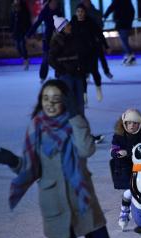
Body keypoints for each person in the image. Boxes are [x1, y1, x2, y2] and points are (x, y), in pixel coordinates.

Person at [0, 79, 126, 238]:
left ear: (65, 101)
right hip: (56, 205)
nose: (50, 104)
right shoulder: (36, 128)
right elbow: (31, 169)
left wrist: (75, 117)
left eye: (56, 99)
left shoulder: (75, 123)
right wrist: (14, 162)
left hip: (84, 203)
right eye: (45, 99)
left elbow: (86, 150)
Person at [49, 16, 105, 144]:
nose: (70, 26)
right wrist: (62, 70)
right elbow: (51, 59)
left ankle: (84, 136)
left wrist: (83, 68)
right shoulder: (57, 41)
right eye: (67, 25)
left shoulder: (75, 38)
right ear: (62, 28)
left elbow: (82, 54)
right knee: (69, 107)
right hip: (66, 78)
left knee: (80, 107)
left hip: (78, 76)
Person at [71, 3, 106, 103]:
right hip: (79, 53)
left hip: (91, 52)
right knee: (82, 75)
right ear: (76, 13)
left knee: (94, 72)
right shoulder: (73, 23)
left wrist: (106, 45)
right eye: (78, 11)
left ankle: (98, 88)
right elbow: (67, 35)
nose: (80, 13)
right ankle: (84, 95)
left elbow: (99, 34)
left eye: (82, 11)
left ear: (85, 13)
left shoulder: (90, 22)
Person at [26, 0, 62, 82]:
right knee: (45, 59)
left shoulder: (58, 12)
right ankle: (42, 76)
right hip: (48, 38)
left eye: (56, 3)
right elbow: (37, 23)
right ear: (49, 3)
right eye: (53, 3)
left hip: (57, 38)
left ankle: (58, 75)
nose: (55, 4)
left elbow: (62, 24)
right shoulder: (44, 12)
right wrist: (29, 34)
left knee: (57, 58)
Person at [81, 0, 113, 79]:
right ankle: (87, 73)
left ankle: (106, 71)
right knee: (86, 57)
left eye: (86, 1)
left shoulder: (95, 12)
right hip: (85, 40)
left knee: (101, 56)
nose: (85, 3)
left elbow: (100, 26)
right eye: (83, 2)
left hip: (96, 38)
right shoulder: (81, 12)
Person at [103, 0, 135, 66]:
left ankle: (130, 56)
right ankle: (128, 56)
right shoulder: (126, 2)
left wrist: (105, 16)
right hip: (123, 23)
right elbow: (132, 12)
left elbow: (111, 8)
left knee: (124, 41)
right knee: (124, 40)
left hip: (122, 23)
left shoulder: (118, 1)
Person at [10, 0, 31, 70]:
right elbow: (12, 22)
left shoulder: (24, 10)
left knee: (22, 45)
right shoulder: (14, 12)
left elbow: (27, 21)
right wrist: (11, 31)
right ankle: (24, 58)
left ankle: (26, 60)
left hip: (23, 31)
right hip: (16, 32)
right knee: (17, 46)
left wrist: (28, 31)